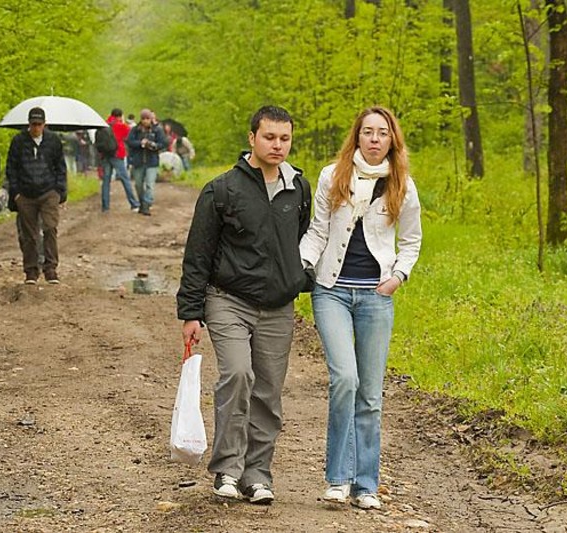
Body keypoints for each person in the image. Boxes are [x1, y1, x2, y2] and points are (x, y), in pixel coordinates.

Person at [177, 106, 312, 506]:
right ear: (252, 137)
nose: (278, 146)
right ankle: (227, 470)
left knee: (268, 391)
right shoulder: (222, 190)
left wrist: (298, 277)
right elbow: (198, 253)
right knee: (237, 375)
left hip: (278, 306)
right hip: (228, 300)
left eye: (284, 138)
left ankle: (258, 475)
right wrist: (190, 312)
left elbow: (304, 240)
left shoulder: (298, 189)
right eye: (269, 137)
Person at [299, 106, 422, 510]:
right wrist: (301, 267)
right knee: (345, 379)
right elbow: (317, 231)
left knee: (370, 394)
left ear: (391, 140)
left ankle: (366, 484)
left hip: (375, 294)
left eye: (381, 133)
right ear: (357, 136)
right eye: (367, 131)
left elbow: (411, 241)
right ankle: (337, 478)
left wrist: (397, 277)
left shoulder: (401, 183)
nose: (373, 139)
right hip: (331, 290)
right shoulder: (331, 176)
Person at [6, 107, 68, 285]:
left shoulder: (53, 141)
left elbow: (60, 167)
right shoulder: (18, 141)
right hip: (25, 193)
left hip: (49, 191)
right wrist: (15, 193)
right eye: (33, 124)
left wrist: (60, 191)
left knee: (50, 228)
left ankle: (51, 269)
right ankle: (31, 271)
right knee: (29, 234)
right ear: (28, 124)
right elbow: (11, 167)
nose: (36, 128)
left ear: (44, 124)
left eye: (39, 124)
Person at [126, 108, 167, 216]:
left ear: (151, 119)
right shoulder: (135, 130)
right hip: (138, 161)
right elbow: (129, 142)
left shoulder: (157, 130)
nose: (145, 121)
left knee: (150, 184)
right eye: (143, 118)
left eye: (147, 118)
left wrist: (154, 145)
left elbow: (163, 143)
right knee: (138, 184)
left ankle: (147, 204)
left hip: (151, 161)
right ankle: (142, 202)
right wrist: (141, 143)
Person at [99, 108, 140, 212]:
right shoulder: (121, 126)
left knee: (106, 181)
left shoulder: (104, 124)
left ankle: (105, 207)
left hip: (105, 155)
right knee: (125, 179)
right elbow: (130, 136)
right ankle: (134, 204)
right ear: (120, 116)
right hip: (117, 154)